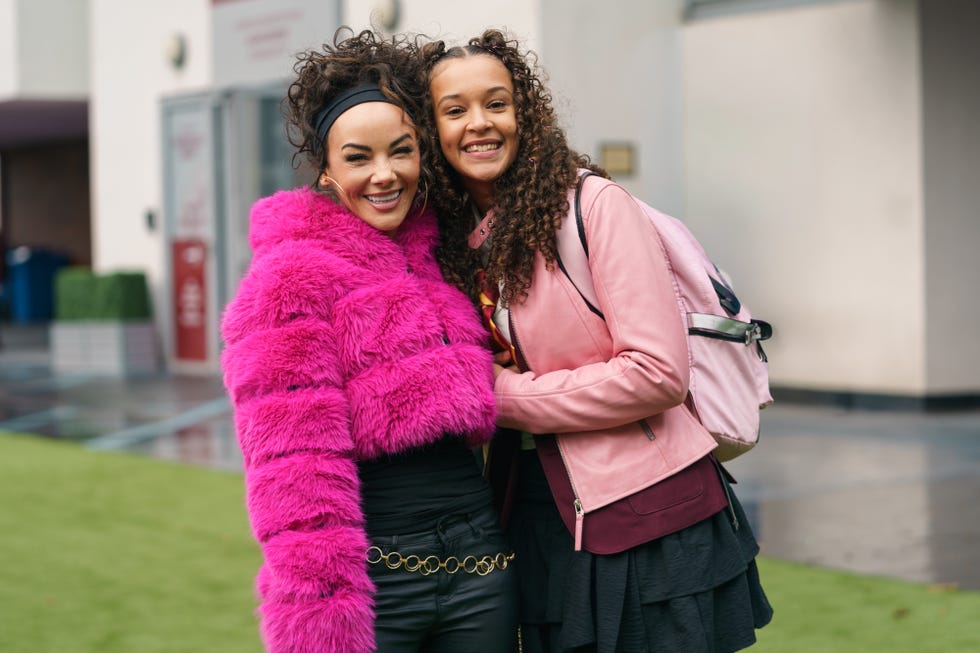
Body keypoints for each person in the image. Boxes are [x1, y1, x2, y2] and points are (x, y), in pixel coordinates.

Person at [419, 29, 773, 653]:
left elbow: (658, 372)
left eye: (497, 103)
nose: (480, 124)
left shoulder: (593, 205)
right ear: (432, 130)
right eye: (455, 110)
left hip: (653, 517)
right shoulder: (448, 241)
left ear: (523, 111)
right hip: (535, 514)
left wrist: (495, 396)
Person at [221, 29, 518, 653]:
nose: (384, 175)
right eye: (359, 157)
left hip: (482, 569)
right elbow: (294, 474)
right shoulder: (288, 279)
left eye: (401, 151)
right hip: (379, 585)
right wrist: (322, 617)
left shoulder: (443, 253)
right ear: (327, 170)